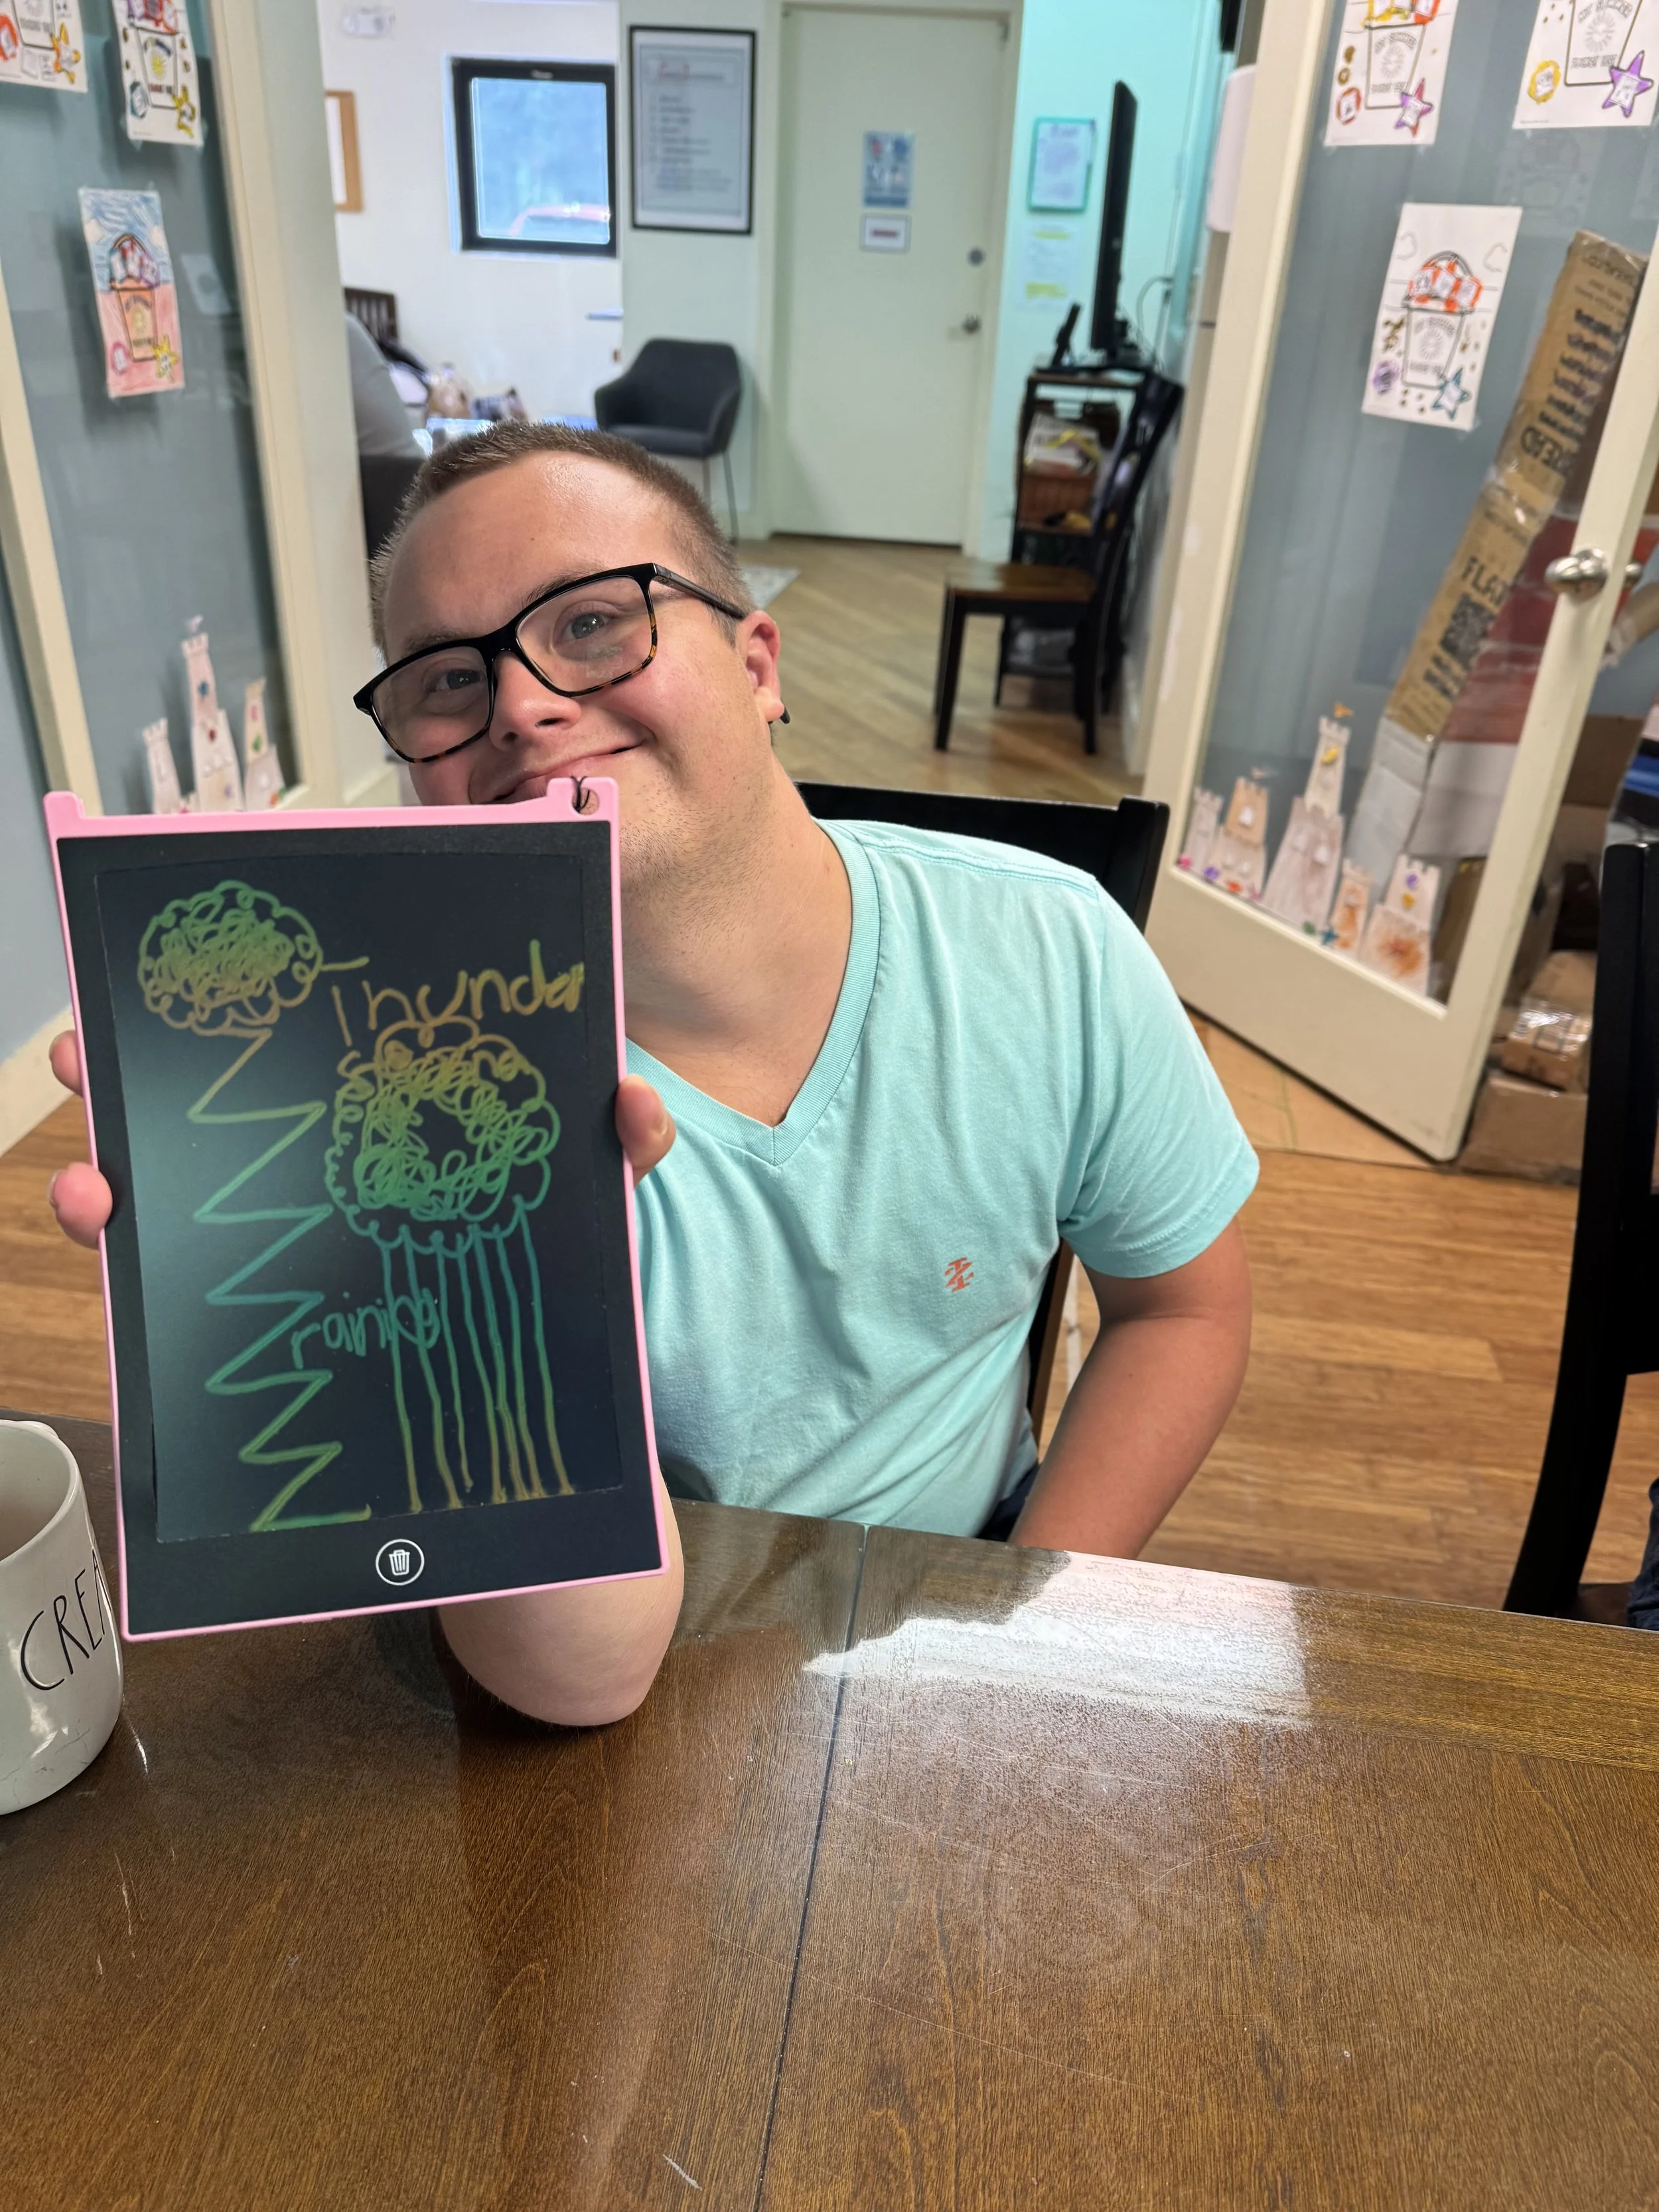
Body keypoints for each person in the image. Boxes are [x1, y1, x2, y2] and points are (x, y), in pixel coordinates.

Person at [47, 423, 1256, 1724]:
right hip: (607, 1697)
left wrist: (1027, 1631)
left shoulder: (1049, 947)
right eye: (445, 681)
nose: (517, 704)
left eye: (589, 622)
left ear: (756, 662)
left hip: (957, 1629)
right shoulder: (389, 1101)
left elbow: (1179, 1313)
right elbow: (576, 1677)